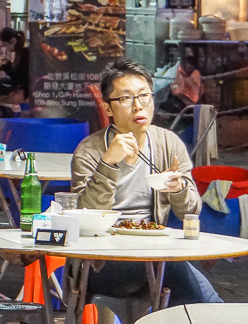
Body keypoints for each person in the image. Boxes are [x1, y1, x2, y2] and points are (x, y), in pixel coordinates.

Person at [71, 59, 221, 306]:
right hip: (101, 260)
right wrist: (108, 164)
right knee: (183, 279)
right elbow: (84, 215)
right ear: (108, 108)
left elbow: (190, 212)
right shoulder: (90, 151)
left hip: (154, 250)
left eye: (144, 96)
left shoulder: (167, 143)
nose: (138, 106)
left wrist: (179, 188)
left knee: (208, 298)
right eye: (126, 99)